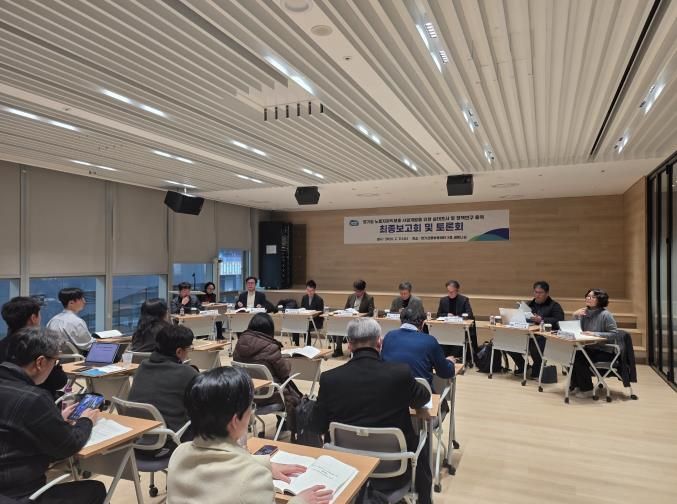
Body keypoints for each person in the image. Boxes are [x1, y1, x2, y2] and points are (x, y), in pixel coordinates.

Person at [311, 318, 433, 504]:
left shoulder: (330, 379)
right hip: (394, 472)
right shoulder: (399, 373)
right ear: (379, 342)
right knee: (422, 438)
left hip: (345, 469)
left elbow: (317, 425)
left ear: (349, 345)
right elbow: (423, 398)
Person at [168, 367, 332, 504]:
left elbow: (218, 461)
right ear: (235, 421)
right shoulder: (253, 478)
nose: (252, 412)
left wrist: (266, 465)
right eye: (250, 406)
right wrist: (300, 501)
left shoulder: (179, 453)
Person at [0, 327, 105, 503]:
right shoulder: (34, 398)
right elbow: (68, 445)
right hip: (17, 492)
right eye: (55, 362)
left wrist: (54, 419)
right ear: (40, 362)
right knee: (96, 489)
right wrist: (86, 420)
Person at [128, 324, 198, 447]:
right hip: (171, 437)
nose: (189, 353)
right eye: (189, 349)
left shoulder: (143, 366)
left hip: (137, 434)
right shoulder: (186, 372)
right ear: (179, 351)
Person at [232, 313, 301, 436]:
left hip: (247, 396)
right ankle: (283, 427)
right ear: (269, 329)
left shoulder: (239, 344)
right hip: (270, 397)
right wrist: (286, 361)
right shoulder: (271, 347)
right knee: (288, 390)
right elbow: (284, 371)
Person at [1, 296, 67, 399]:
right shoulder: (41, 347)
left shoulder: (3, 344)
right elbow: (59, 381)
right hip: (39, 401)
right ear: (33, 318)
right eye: (39, 314)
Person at [381, 307, 456, 388]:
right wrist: (450, 362)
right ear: (423, 324)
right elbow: (445, 373)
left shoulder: (389, 336)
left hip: (389, 390)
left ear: (400, 321)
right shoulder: (430, 341)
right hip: (419, 393)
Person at [508, 281, 565, 377]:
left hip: (545, 336)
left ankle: (537, 368)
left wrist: (542, 319)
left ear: (547, 293)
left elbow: (559, 320)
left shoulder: (554, 305)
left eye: (540, 293)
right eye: (536, 292)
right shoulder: (529, 304)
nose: (537, 295)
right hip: (528, 333)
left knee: (535, 343)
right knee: (508, 342)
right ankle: (523, 366)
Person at [570, 289, 619, 398]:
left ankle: (587, 389)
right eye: (587, 296)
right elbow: (575, 330)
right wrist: (575, 315)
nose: (588, 298)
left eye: (592, 297)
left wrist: (594, 333)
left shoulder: (606, 315)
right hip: (589, 348)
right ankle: (577, 385)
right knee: (570, 355)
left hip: (604, 350)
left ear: (600, 300)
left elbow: (614, 334)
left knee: (579, 358)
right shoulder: (583, 313)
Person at [333, 279, 374, 357]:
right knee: (339, 326)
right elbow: (345, 309)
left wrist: (360, 316)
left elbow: (371, 312)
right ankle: (338, 349)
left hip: (361, 322)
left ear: (363, 290)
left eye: (358, 291)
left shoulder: (369, 298)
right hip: (349, 319)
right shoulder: (351, 296)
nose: (357, 293)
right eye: (355, 291)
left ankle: (354, 350)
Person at [45, 287, 95, 353]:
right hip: (76, 358)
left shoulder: (52, 321)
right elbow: (88, 345)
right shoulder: (76, 322)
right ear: (71, 303)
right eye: (81, 299)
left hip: (55, 357)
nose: (84, 301)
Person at [436, 280, 477, 355]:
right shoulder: (443, 300)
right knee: (439, 337)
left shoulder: (464, 300)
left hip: (459, 329)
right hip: (446, 328)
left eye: (452, 292)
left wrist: (456, 317)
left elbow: (470, 315)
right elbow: (438, 315)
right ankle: (444, 357)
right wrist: (447, 315)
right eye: (448, 291)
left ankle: (455, 357)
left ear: (457, 290)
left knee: (457, 339)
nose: (449, 294)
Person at [294, 280, 324, 347]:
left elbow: (320, 314)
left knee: (305, 326)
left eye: (311, 291)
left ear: (314, 290)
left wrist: (312, 315)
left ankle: (308, 346)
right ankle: (296, 344)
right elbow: (302, 309)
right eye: (308, 290)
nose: (309, 292)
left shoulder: (319, 299)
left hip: (316, 321)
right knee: (295, 324)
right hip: (306, 320)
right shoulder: (304, 298)